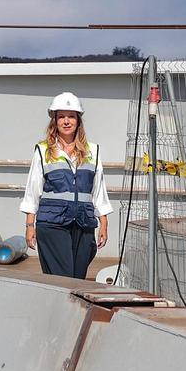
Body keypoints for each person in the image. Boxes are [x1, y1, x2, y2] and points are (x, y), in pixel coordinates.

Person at [20, 92, 112, 279]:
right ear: (55, 121)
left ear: (78, 120)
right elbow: (33, 190)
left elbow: (98, 189)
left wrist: (103, 223)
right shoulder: (44, 150)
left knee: (77, 278)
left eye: (71, 116)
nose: (66, 121)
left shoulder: (92, 150)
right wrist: (30, 225)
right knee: (63, 277)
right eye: (61, 117)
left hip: (83, 223)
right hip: (52, 223)